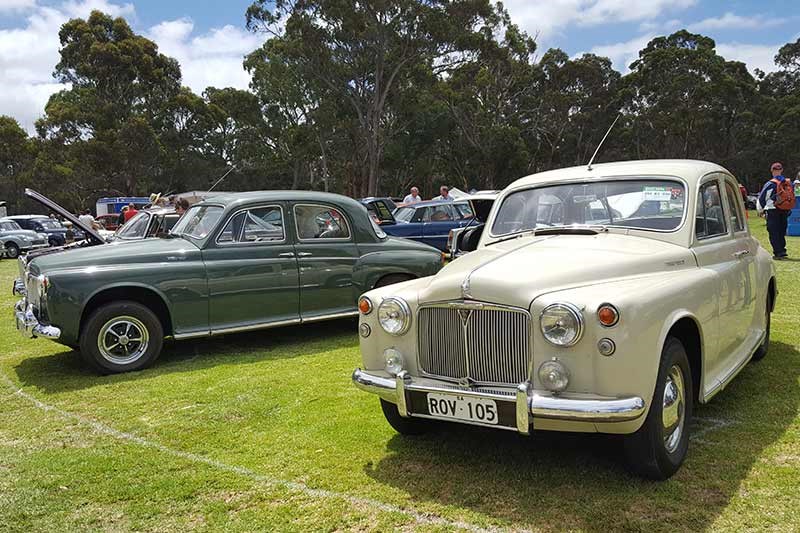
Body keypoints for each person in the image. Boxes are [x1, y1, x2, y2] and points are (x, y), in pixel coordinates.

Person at [757, 162, 795, 259]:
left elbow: (762, 198)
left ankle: (778, 252)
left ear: (772, 171)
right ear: (781, 170)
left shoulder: (770, 183)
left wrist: (760, 210)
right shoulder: (787, 183)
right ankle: (782, 251)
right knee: (781, 231)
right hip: (785, 209)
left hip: (772, 209)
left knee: (774, 232)